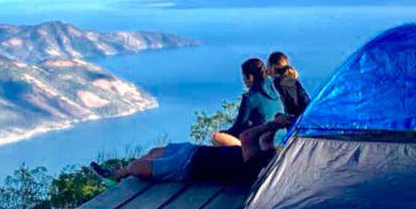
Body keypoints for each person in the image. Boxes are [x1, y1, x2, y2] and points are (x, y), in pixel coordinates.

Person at [91, 142, 274, 185]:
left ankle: (115, 175)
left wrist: (274, 124)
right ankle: (130, 169)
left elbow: (247, 136)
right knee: (155, 151)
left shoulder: (253, 167)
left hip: (188, 166)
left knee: (137, 167)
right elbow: (263, 141)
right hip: (193, 151)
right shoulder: (265, 156)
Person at [211, 58, 284, 147]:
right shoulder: (275, 92)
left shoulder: (251, 97)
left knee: (216, 137)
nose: (243, 80)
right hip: (280, 141)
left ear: (250, 77)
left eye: (244, 76)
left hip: (261, 145)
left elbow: (238, 127)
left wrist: (223, 133)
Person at [267, 52, 310, 117]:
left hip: (284, 122)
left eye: (267, 65)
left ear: (272, 67)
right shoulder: (295, 82)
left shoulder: (274, 85)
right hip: (297, 120)